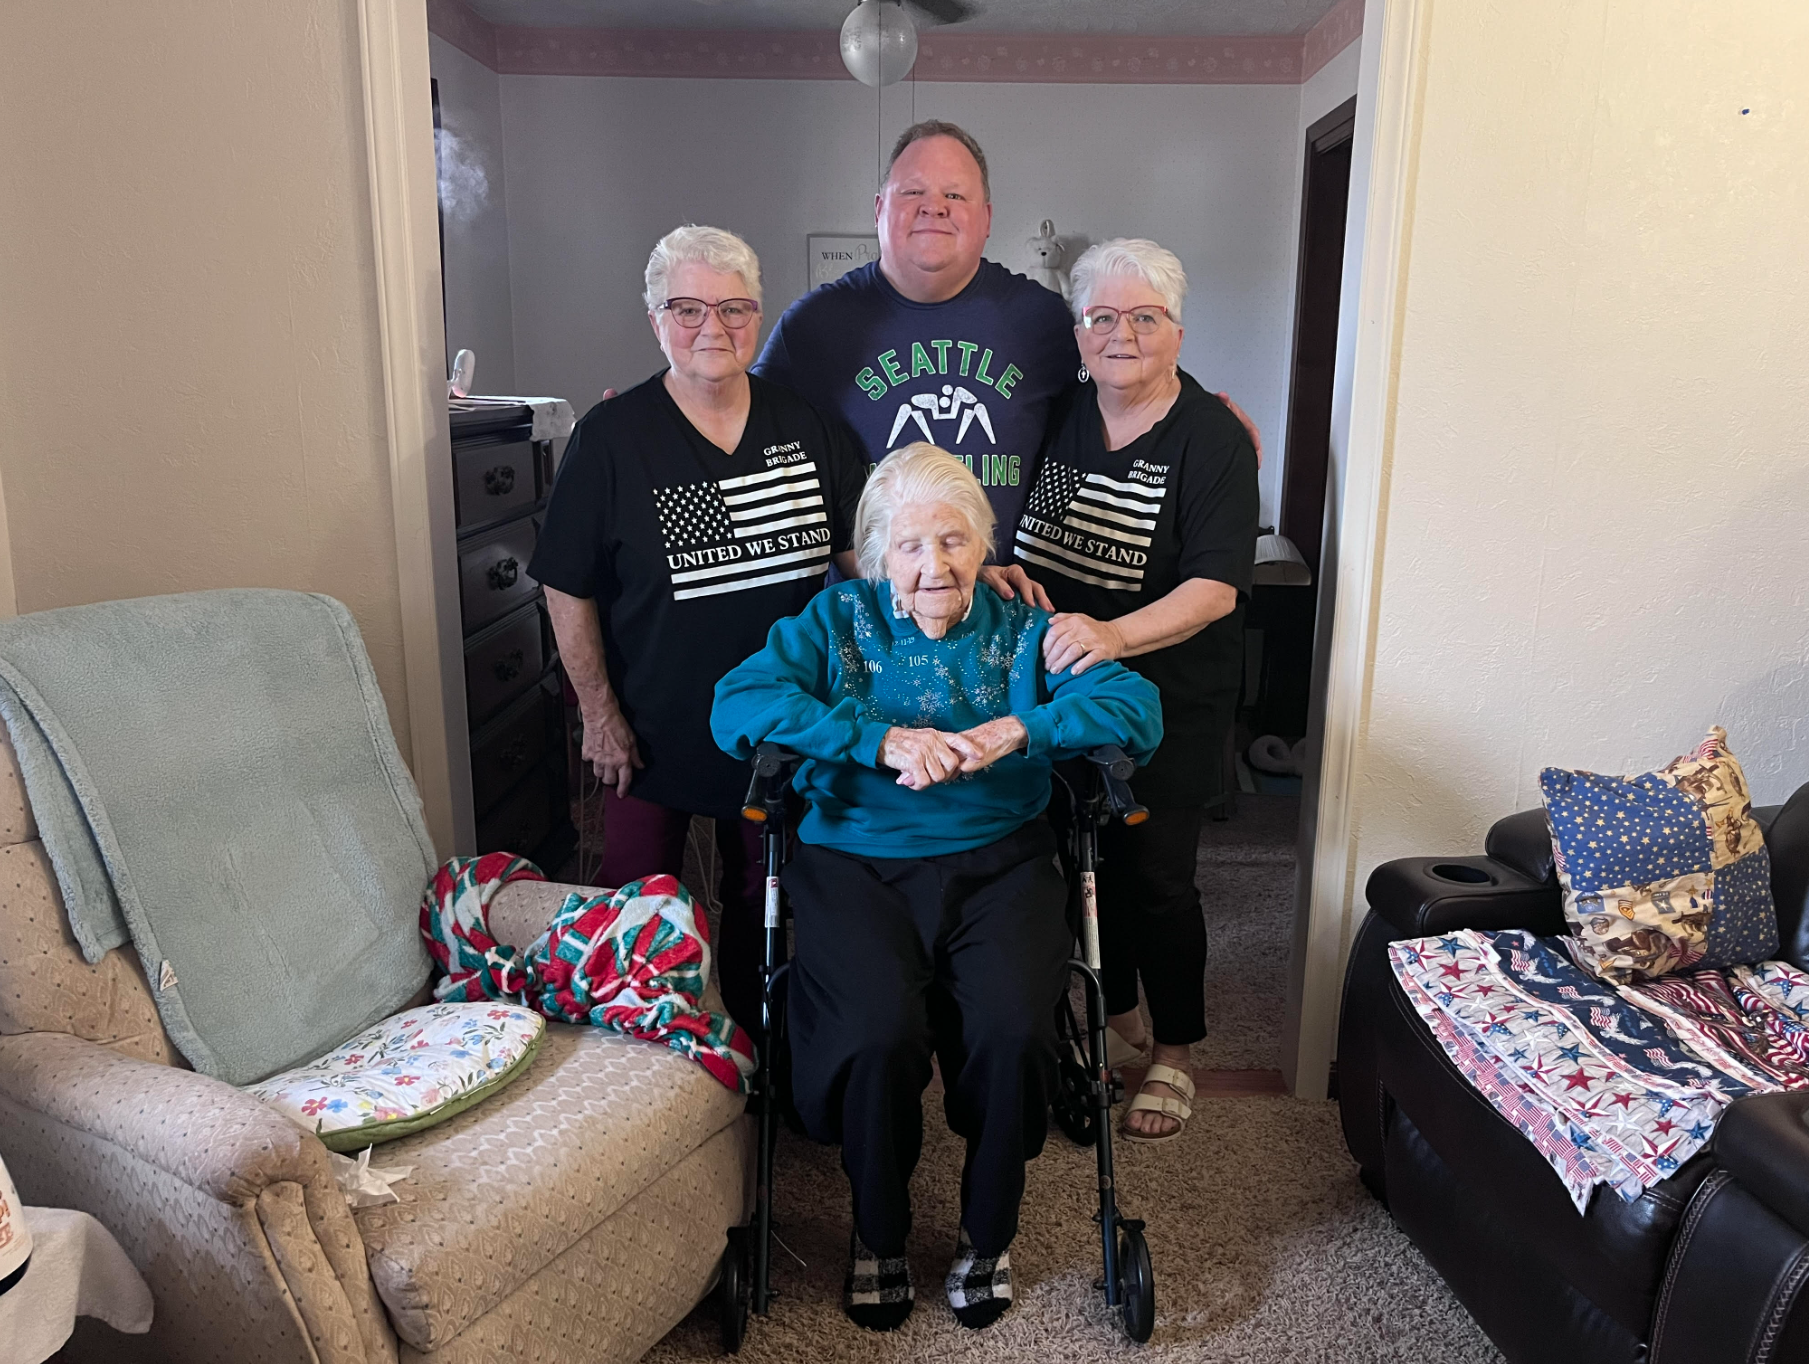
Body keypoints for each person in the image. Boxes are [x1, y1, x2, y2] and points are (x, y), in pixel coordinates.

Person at [528, 225, 1055, 1038]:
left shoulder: (802, 424)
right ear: (654, 318)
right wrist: (598, 715)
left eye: (735, 308)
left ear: (757, 312)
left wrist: (953, 569)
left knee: (760, 897)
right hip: (648, 725)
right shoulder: (612, 436)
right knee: (634, 900)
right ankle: (631, 1058)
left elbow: (870, 549)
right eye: (688, 308)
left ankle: (758, 1054)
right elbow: (567, 587)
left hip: (786, 723)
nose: (713, 327)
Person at [711, 444, 1162, 1332]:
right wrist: (873, 739)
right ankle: (876, 1233)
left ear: (982, 547)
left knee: (1009, 1031)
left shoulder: (1023, 627)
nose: (934, 566)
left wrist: (1017, 731)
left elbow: (1133, 708)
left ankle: (986, 1232)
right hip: (854, 860)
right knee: (873, 1033)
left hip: (1001, 860)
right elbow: (737, 703)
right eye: (910, 546)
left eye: (954, 541)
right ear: (877, 554)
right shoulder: (831, 623)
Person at [1014, 239, 1260, 1143]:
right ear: (1077, 333)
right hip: (1056, 697)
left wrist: (1114, 634)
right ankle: (1120, 1023)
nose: (1123, 334)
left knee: (1155, 881)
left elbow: (1216, 589)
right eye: (1103, 317)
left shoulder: (1212, 438)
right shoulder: (1055, 419)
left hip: (1168, 703)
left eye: (1144, 317)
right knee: (1076, 872)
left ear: (1177, 331)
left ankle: (1178, 1050)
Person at [755, 119, 1263, 552]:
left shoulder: (1040, 317)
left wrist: (1205, 422)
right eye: (913, 192)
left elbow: (1121, 367)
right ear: (879, 209)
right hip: (872, 620)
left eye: (955, 194)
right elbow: (745, 421)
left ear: (987, 219)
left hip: (1006, 618)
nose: (934, 207)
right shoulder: (814, 324)